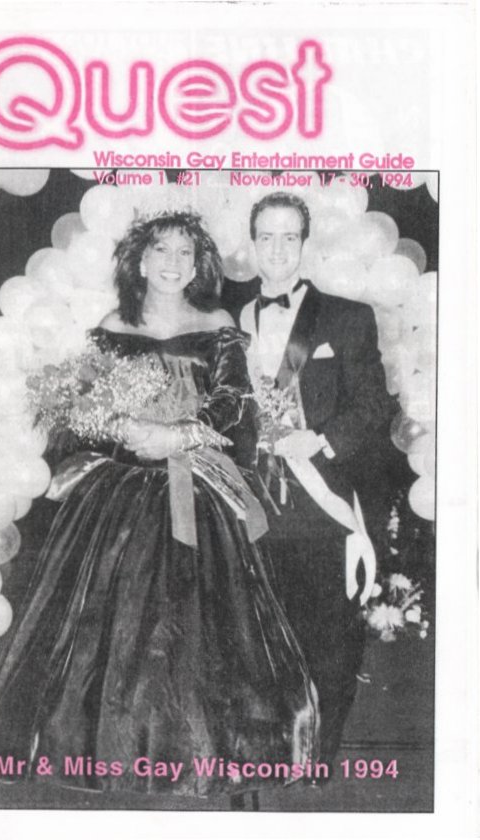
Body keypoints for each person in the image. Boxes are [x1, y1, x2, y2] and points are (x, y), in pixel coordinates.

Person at [0, 210, 319, 800]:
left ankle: (200, 753)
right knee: (109, 625)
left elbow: (235, 403)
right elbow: (85, 412)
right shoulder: (113, 325)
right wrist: (123, 429)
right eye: (161, 250)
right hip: (120, 493)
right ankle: (111, 747)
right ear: (138, 260)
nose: (172, 263)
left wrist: (177, 435)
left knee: (200, 626)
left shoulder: (217, 324)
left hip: (196, 487)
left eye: (185, 253)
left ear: (199, 265)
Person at [222, 191, 396, 771]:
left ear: (304, 243)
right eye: (266, 237)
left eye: (289, 237)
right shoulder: (228, 321)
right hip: (251, 505)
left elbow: (373, 406)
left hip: (321, 505)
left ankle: (318, 756)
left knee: (329, 637)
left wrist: (319, 439)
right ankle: (269, 750)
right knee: (254, 636)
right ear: (252, 243)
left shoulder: (347, 317)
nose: (277, 249)